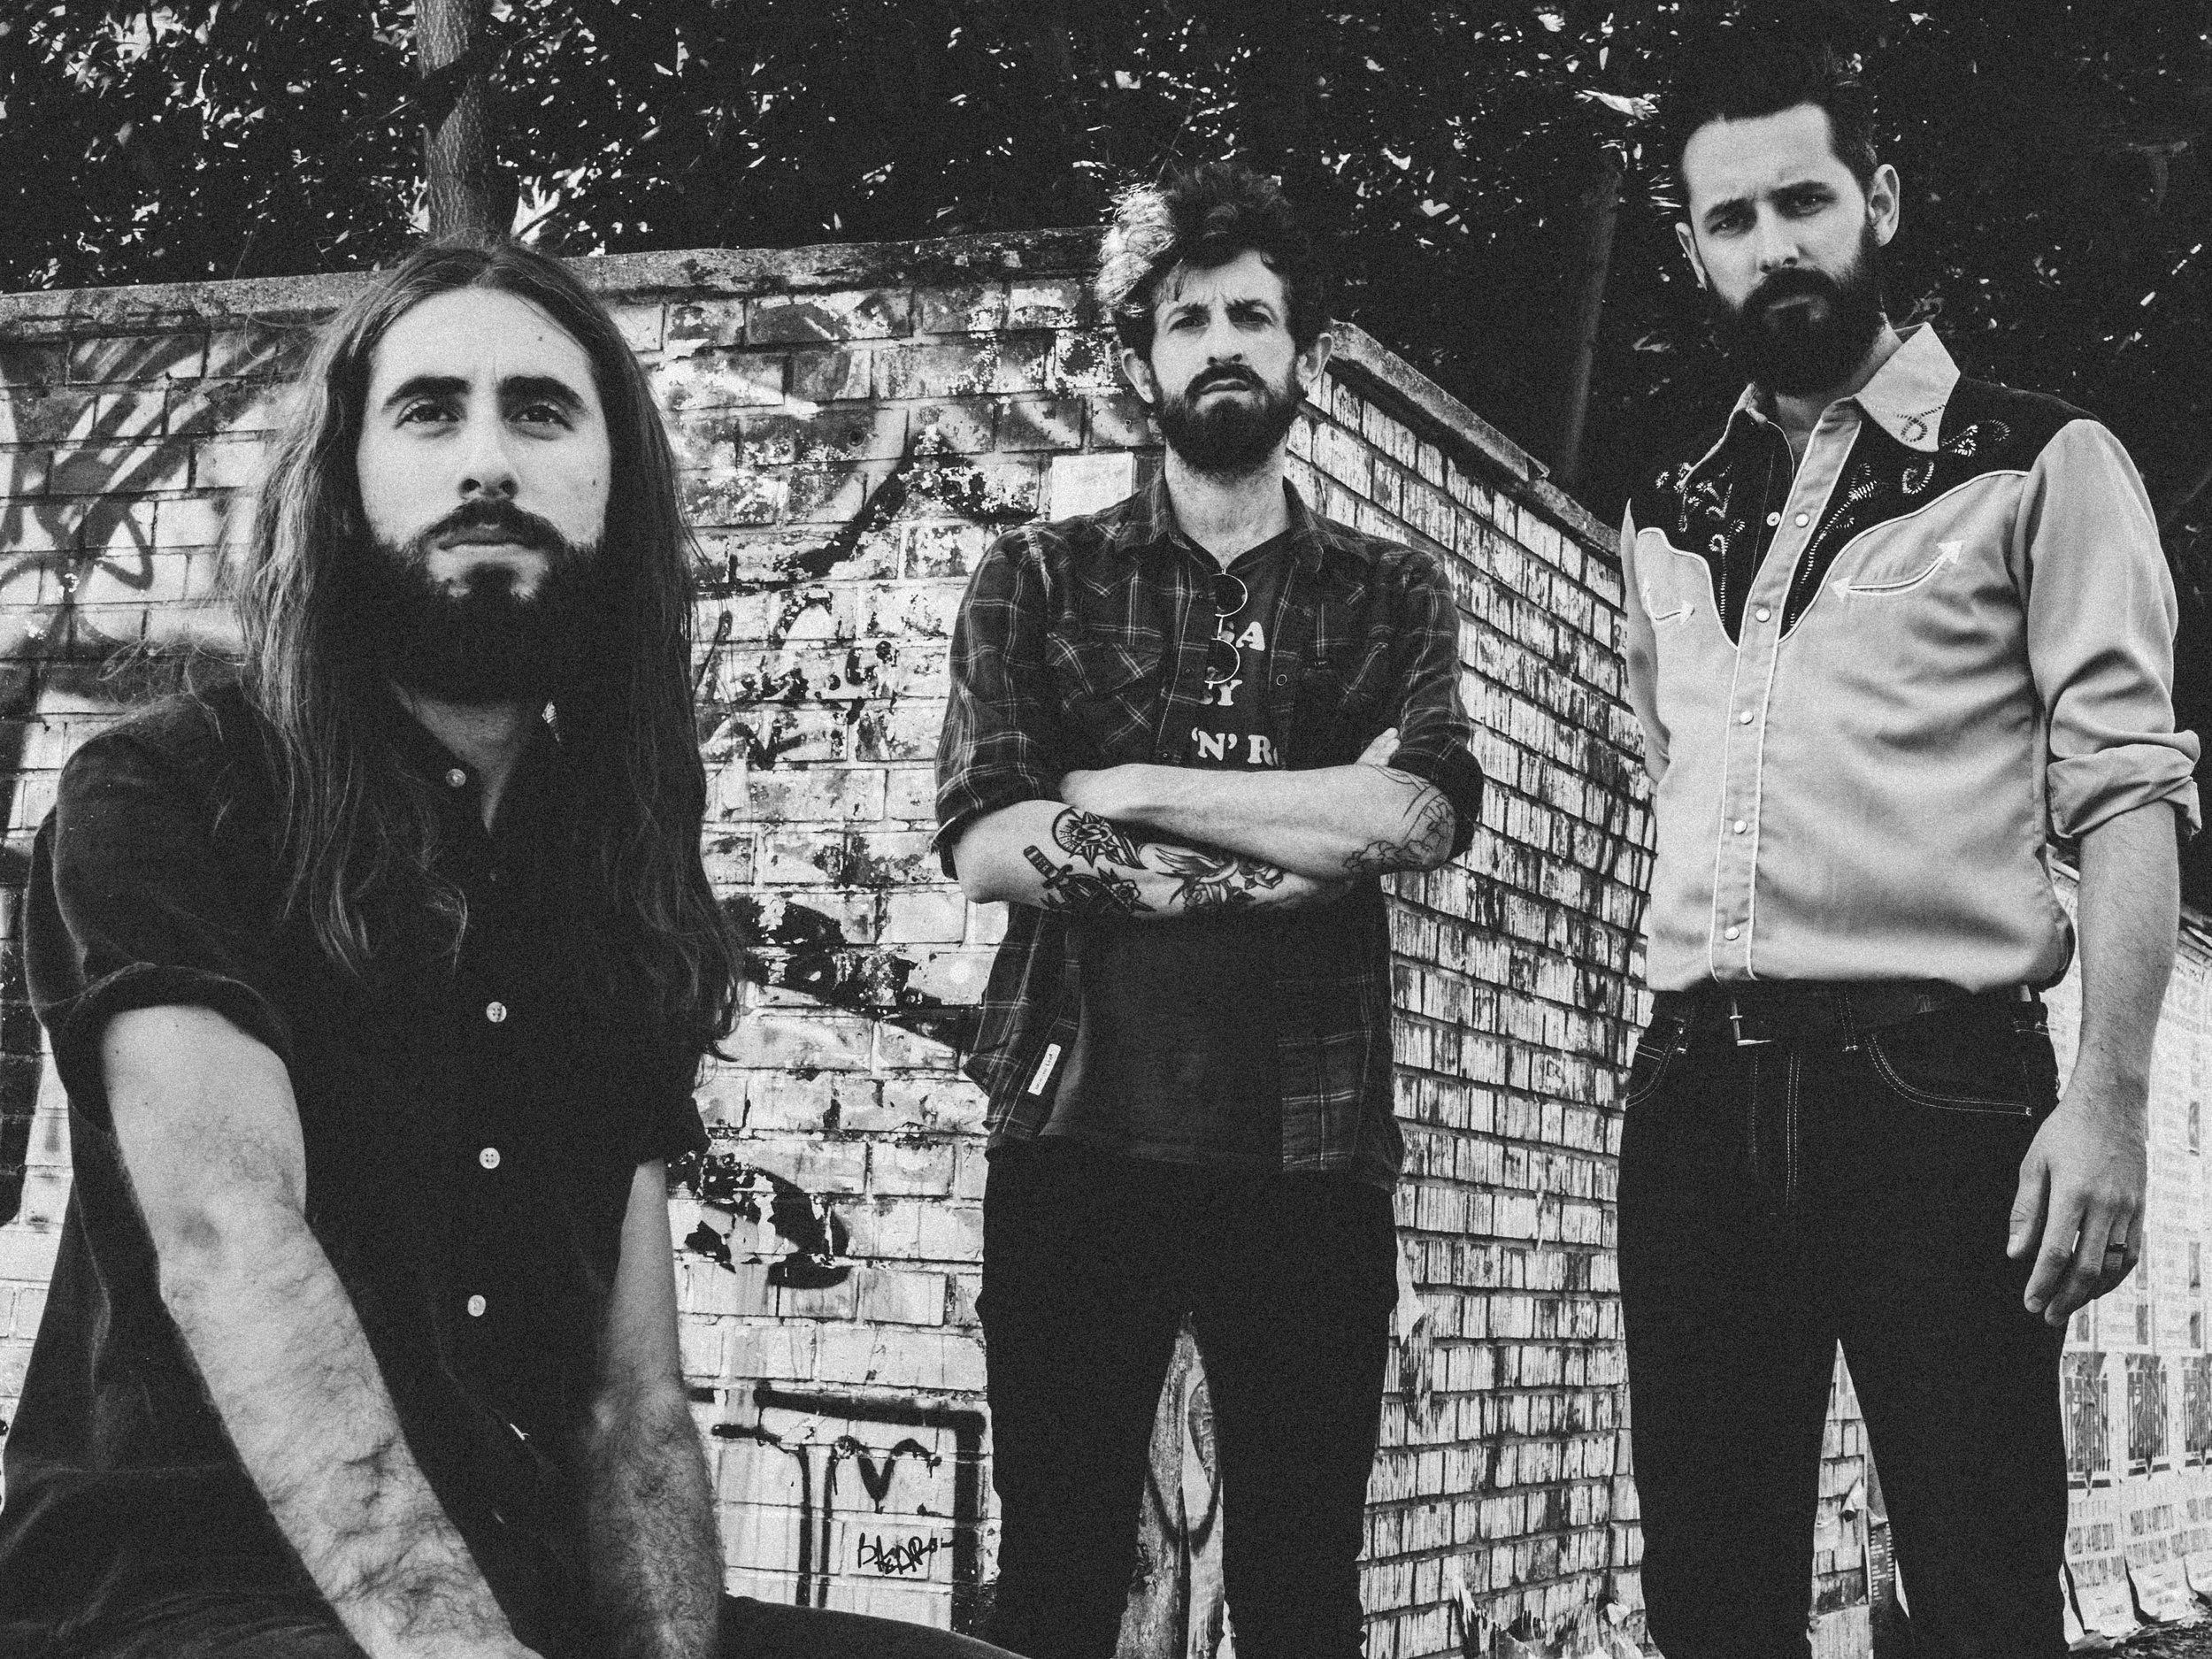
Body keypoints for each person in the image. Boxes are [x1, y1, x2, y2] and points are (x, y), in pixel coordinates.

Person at [0, 241, 1011, 1659]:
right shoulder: (165, 797)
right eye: (428, 412)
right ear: (343, 489)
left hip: (515, 1572)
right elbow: (232, 1241)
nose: (488, 460)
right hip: (181, 1590)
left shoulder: (609, 878)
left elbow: (631, 1401)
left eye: (541, 412)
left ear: (617, 490)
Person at [1616, 34, 2200, 1658]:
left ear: (1878, 200)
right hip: (1693, 1101)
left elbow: (2127, 791)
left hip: (1932, 1095)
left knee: (1980, 1590)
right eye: (1731, 219)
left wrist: (2110, 1103)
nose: (1773, 245)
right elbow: (1672, 766)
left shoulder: (2041, 462)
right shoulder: (1664, 503)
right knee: (1711, 1609)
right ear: (1692, 245)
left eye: (1804, 199)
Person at [934, 161, 1486, 1659]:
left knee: (1306, 1601)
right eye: (1189, 320)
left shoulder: (1387, 592)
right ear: (1140, 359)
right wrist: (1306, 838)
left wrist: (1119, 784)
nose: (1224, 342)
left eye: (1256, 314)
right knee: (1050, 1584)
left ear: (1306, 351)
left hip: (1309, 1163)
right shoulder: (1038, 580)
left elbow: (1417, 814)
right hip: (1074, 1148)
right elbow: (992, 842)